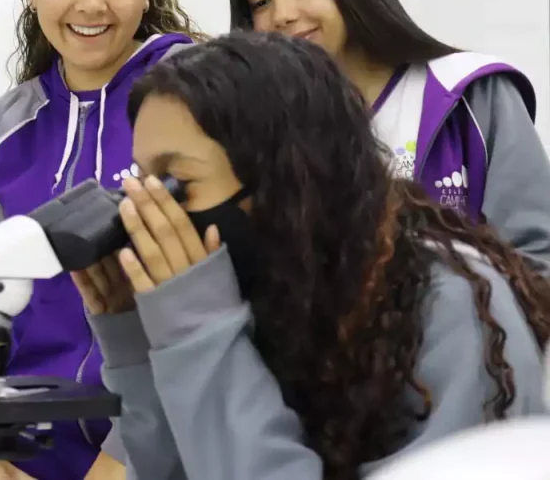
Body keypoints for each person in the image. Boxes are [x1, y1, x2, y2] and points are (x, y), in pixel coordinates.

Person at [71, 31, 550, 479]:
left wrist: (200, 333)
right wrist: (133, 338)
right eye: (140, 182)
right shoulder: (267, 290)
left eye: (175, 184)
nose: (144, 211)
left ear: (285, 181)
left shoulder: (449, 307)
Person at [0, 0, 201, 480]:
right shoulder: (11, 123)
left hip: (158, 453)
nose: (91, 5)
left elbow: (208, 302)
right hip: (25, 456)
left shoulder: (190, 96)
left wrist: (125, 456)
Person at [228, 0, 550, 272]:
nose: (282, 15)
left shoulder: (469, 93)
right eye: (261, 2)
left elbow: (537, 255)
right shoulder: (265, 131)